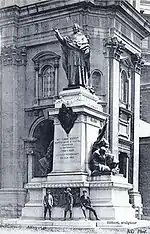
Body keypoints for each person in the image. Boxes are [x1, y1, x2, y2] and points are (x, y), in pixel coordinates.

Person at [53, 23, 90, 88]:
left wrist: (80, 46)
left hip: (79, 55)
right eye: (73, 27)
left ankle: (81, 83)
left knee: (79, 68)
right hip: (71, 54)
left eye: (76, 27)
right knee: (72, 68)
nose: (75, 28)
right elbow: (62, 41)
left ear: (78, 28)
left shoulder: (82, 36)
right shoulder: (69, 37)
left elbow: (86, 45)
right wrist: (57, 33)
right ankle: (72, 83)